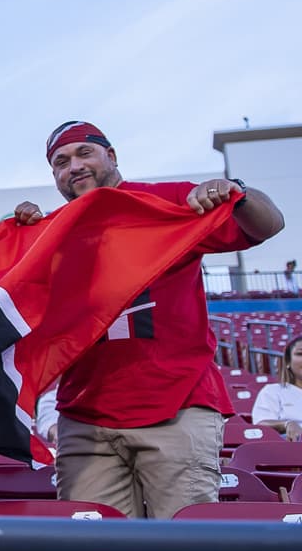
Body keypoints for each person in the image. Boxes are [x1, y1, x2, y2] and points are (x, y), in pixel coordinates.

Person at [14, 120, 285, 518]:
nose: (73, 166)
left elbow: (269, 225)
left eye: (83, 153)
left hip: (174, 404)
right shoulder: (52, 232)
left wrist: (236, 193)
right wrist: (20, 234)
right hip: (84, 415)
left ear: (112, 156)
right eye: (60, 162)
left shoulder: (170, 201)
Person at [251, 335, 302, 441]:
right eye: (300, 354)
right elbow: (261, 424)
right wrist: (287, 424)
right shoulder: (273, 391)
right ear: (288, 361)